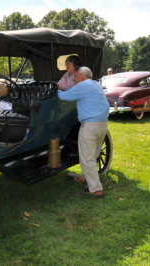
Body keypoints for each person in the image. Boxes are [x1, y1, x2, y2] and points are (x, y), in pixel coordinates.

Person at [57, 67, 109, 199]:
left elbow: (63, 96)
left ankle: (96, 190)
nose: (73, 78)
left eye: (75, 76)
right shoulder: (95, 85)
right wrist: (67, 89)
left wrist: (56, 89)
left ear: (82, 76)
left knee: (86, 159)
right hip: (102, 124)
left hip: (90, 126)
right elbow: (76, 92)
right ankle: (89, 181)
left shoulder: (82, 86)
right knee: (94, 154)